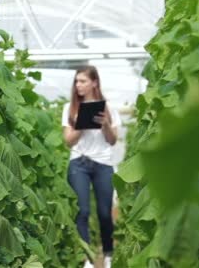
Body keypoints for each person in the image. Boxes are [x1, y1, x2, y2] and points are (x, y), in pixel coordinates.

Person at [61, 65, 120, 268]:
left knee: (105, 212)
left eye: (83, 81)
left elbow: (113, 140)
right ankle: (86, 258)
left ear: (94, 82)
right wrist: (80, 125)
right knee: (82, 211)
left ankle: (108, 254)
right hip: (79, 162)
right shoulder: (70, 109)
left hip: (103, 163)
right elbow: (68, 141)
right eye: (77, 81)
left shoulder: (108, 108)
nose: (78, 85)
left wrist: (104, 124)